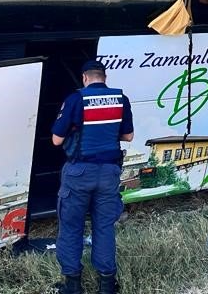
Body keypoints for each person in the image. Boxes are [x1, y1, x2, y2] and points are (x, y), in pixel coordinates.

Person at [51, 60, 134, 294]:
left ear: (85, 78)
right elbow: (128, 136)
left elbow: (56, 140)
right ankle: (107, 286)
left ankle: (73, 286)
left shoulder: (76, 99)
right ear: (104, 78)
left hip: (79, 173)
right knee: (104, 227)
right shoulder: (121, 99)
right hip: (109, 173)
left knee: (71, 227)